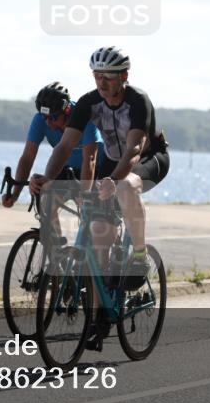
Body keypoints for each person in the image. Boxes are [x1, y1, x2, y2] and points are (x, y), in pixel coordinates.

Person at [29, 47, 169, 346]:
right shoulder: (90, 103)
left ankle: (140, 256)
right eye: (97, 76)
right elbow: (64, 147)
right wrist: (48, 179)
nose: (102, 82)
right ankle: (100, 315)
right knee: (97, 234)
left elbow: (133, 149)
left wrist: (113, 180)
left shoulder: (137, 101)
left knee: (127, 187)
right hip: (112, 160)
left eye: (108, 77)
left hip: (147, 159)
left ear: (124, 77)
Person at [2, 82, 104, 209]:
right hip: (66, 168)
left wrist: (85, 193)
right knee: (45, 203)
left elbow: (90, 159)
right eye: (45, 117)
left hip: (95, 170)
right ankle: (50, 229)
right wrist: (15, 194)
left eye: (53, 118)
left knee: (89, 213)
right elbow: (27, 158)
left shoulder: (84, 116)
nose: (48, 123)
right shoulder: (40, 120)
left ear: (67, 110)